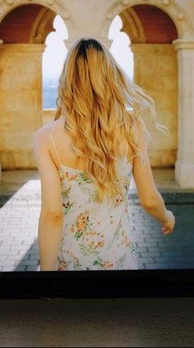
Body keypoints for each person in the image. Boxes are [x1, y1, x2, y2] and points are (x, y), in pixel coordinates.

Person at [33, 38, 176, 271]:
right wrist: (166, 216)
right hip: (118, 263)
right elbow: (149, 199)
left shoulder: (46, 138)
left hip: (68, 266)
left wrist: (46, 277)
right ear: (109, 76)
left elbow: (52, 215)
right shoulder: (131, 127)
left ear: (68, 78)